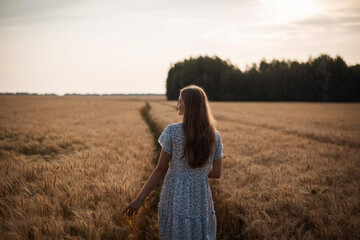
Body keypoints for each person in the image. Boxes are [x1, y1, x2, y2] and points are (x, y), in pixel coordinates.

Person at [123, 85, 223, 240]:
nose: (177, 105)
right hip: (200, 199)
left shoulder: (172, 131)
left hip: (176, 195)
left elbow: (160, 169)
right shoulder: (214, 136)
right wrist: (201, 170)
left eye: (179, 101)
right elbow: (216, 173)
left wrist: (139, 200)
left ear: (188, 105)